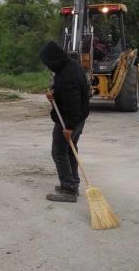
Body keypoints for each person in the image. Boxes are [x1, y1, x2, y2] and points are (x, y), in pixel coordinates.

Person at [39, 41, 90, 203]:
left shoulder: (68, 75)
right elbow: (62, 89)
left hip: (70, 120)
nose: (48, 67)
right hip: (78, 118)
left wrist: (69, 127)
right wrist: (54, 93)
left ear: (53, 59)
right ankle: (72, 184)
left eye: (48, 63)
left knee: (59, 152)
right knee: (70, 151)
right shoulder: (69, 66)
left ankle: (68, 189)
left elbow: (73, 102)